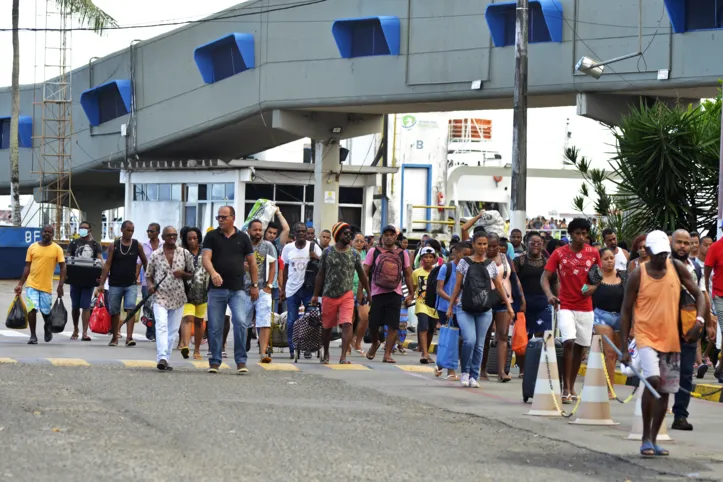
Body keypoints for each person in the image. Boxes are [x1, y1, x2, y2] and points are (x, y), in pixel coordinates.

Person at [620, 230, 706, 457]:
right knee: (653, 380)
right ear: (647, 252)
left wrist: (700, 320)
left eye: (665, 254)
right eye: (657, 254)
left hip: (672, 338)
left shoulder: (676, 268)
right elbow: (626, 310)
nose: (662, 258)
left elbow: (699, 295)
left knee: (666, 389)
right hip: (645, 336)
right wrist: (623, 348)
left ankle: (654, 439)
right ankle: (645, 437)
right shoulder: (638, 275)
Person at [541, 217, 601, 403]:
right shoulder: (559, 253)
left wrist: (594, 288)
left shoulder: (593, 253)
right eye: (577, 233)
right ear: (571, 234)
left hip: (586, 307)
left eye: (584, 233)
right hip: (565, 305)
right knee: (568, 342)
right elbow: (545, 277)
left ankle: (571, 385)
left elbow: (598, 276)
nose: (581, 237)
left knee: (581, 347)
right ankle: (565, 387)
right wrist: (550, 295)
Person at [447, 231, 513, 388]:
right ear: (473, 244)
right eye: (480, 244)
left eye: (486, 244)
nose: (483, 247)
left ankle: (474, 376)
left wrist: (509, 306)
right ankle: (465, 372)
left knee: (480, 344)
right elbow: (457, 286)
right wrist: (450, 306)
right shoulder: (464, 262)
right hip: (465, 307)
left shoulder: (490, 264)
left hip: (485, 309)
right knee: (469, 341)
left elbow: (498, 286)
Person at [202, 206, 259, 374]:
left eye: (224, 217)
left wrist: (255, 285)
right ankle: (215, 361)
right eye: (218, 217)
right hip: (216, 289)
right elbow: (206, 258)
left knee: (241, 322)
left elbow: (252, 262)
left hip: (238, 289)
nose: (220, 220)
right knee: (215, 326)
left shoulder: (243, 238)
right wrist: (213, 273)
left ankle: (241, 361)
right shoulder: (211, 236)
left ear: (233, 218)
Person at [670, 229, 714, 430]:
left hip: (689, 328)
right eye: (679, 242)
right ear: (671, 243)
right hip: (664, 327)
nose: (682, 246)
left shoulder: (695, 268)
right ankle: (653, 413)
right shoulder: (661, 266)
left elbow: (702, 296)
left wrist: (707, 323)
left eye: (686, 243)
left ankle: (680, 415)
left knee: (686, 373)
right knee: (662, 372)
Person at [312, 222, 370, 364]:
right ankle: (326, 353)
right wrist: (315, 294)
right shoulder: (327, 252)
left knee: (347, 324)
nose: (348, 235)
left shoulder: (354, 254)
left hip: (347, 295)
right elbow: (320, 274)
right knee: (327, 327)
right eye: (345, 233)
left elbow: (362, 275)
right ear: (337, 235)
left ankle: (343, 356)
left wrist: (369, 292)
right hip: (328, 295)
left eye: (350, 233)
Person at [363, 225, 414, 363]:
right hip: (377, 293)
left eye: (392, 234)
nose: (389, 237)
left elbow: (408, 274)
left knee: (393, 324)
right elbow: (365, 272)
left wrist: (411, 292)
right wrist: (365, 292)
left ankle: (387, 354)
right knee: (373, 323)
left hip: (395, 293)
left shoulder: (403, 254)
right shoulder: (374, 252)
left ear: (396, 237)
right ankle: (375, 342)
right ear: (382, 236)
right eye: (386, 234)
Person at [146, 226, 194, 371]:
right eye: (169, 235)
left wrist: (183, 273)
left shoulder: (184, 253)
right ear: (163, 237)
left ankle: (166, 358)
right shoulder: (156, 254)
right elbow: (149, 275)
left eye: (174, 235)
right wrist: (150, 285)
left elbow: (192, 273)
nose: (172, 237)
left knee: (172, 330)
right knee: (161, 326)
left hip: (178, 296)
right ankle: (161, 356)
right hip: (160, 296)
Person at [480, 232, 525, 382]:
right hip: (484, 301)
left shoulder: (506, 259)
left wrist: (521, 298)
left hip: (504, 300)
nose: (491, 249)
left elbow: (515, 279)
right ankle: (482, 370)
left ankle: (501, 372)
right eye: (489, 246)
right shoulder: (480, 259)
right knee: (485, 336)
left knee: (503, 335)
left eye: (495, 246)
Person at [97, 221, 148, 347]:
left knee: (131, 309)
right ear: (122, 230)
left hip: (131, 283)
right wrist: (102, 283)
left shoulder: (137, 245)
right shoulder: (114, 245)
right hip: (115, 283)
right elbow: (108, 264)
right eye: (128, 230)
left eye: (132, 230)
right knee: (114, 311)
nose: (130, 233)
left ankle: (129, 337)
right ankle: (115, 337)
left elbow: (145, 262)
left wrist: (149, 278)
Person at [583, 247, 626, 399]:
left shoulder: (623, 275)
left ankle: (604, 382)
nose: (609, 261)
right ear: (600, 261)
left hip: (621, 317)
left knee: (616, 355)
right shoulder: (595, 276)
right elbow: (583, 289)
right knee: (610, 353)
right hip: (601, 316)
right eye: (606, 259)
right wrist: (587, 288)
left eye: (612, 258)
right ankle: (610, 388)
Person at [15, 225, 66, 344]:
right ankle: (33, 336)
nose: (47, 234)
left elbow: (63, 268)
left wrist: (60, 285)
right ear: (41, 233)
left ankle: (47, 328)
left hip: (46, 286)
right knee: (32, 309)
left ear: (53, 234)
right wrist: (20, 284)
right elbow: (27, 266)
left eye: (50, 232)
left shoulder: (57, 249)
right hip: (32, 284)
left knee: (46, 311)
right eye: (45, 232)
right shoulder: (32, 247)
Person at [513, 231, 555, 376]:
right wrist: (518, 300)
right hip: (523, 303)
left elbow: (554, 281)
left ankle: (537, 368)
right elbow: (514, 281)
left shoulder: (547, 262)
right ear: (527, 244)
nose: (535, 246)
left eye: (538, 243)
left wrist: (556, 298)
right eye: (532, 243)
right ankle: (523, 369)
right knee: (522, 337)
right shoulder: (520, 261)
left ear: (543, 245)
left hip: (542, 302)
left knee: (541, 335)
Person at [281, 222, 322, 358]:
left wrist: (315, 257)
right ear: (294, 233)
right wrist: (282, 289)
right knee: (292, 320)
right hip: (292, 290)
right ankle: (293, 348)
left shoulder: (314, 246)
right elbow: (285, 268)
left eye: (304, 231)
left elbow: (322, 266)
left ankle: (308, 348)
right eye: (299, 231)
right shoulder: (288, 248)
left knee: (310, 319)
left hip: (308, 289)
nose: (302, 234)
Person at [242, 219, 277, 364]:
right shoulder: (243, 244)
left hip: (263, 289)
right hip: (244, 289)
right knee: (243, 321)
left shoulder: (268, 246)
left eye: (260, 230)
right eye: (255, 230)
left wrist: (269, 285)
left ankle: (263, 352)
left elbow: (273, 265)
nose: (258, 233)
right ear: (249, 231)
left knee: (264, 320)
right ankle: (242, 349)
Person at [434, 242, 469, 380]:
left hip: (462, 308)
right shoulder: (446, 268)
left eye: (468, 255)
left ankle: (441, 364)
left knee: (460, 338)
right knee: (451, 338)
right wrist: (452, 300)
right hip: (446, 308)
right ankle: (450, 371)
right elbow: (439, 289)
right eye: (464, 255)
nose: (466, 257)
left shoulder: (468, 268)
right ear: (456, 253)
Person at [66, 221, 103, 341]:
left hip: (89, 280)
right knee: (75, 306)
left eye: (85, 228)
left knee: (86, 306)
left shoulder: (95, 245)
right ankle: (75, 329)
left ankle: (85, 332)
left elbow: (100, 261)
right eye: (81, 228)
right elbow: (67, 260)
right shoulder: (74, 243)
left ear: (90, 230)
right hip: (74, 279)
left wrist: (101, 277)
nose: (82, 230)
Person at [179, 227, 208, 360]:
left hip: (203, 291)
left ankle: (197, 350)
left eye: (194, 238)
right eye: (189, 238)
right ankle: (185, 346)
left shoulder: (206, 252)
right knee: (188, 318)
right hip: (186, 292)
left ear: (199, 239)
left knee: (199, 321)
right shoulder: (181, 253)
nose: (192, 241)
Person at [413, 247, 440, 364]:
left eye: (431, 257)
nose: (428, 260)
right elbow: (413, 287)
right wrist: (409, 297)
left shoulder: (438, 272)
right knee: (423, 326)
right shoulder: (416, 273)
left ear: (434, 259)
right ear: (421, 259)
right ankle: (424, 353)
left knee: (430, 329)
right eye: (426, 257)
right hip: (421, 303)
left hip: (434, 305)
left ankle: (426, 352)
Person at [703, 229, 723, 381]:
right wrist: (707, 294)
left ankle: (720, 367)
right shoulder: (716, 247)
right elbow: (707, 271)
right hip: (720, 295)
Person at [140, 223, 162, 342]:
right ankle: (150, 331)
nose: (149, 233)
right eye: (148, 231)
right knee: (148, 307)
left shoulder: (164, 245)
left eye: (152, 231)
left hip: (161, 281)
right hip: (146, 281)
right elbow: (139, 262)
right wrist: (136, 277)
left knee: (159, 306)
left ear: (158, 232)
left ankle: (158, 331)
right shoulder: (144, 246)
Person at [351, 232, 370, 355]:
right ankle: (347, 344)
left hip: (362, 289)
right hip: (348, 289)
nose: (359, 243)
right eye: (356, 241)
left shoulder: (367, 255)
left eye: (361, 241)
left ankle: (357, 341)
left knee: (364, 317)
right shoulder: (348, 253)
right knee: (349, 319)